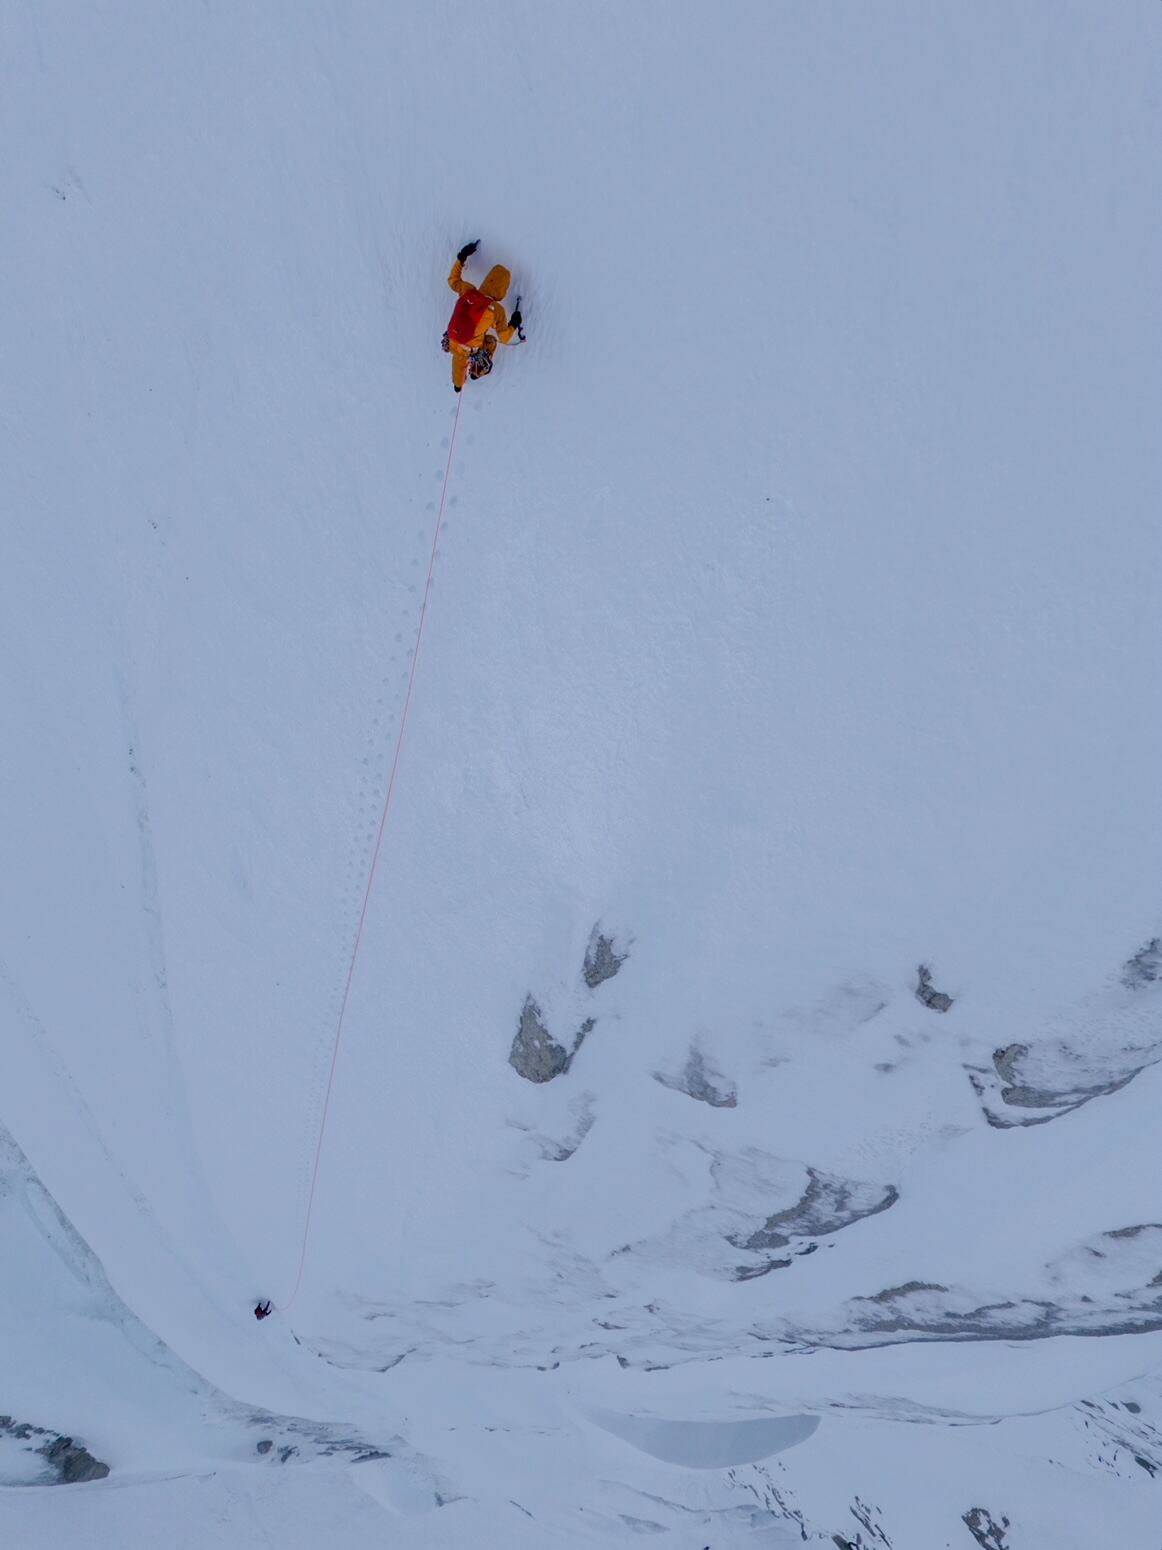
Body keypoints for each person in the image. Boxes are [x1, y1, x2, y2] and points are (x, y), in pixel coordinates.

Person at [443, 240, 522, 392]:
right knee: (491, 342)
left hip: (453, 338)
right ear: (503, 292)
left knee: (458, 355)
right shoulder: (497, 311)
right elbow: (504, 338)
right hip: (469, 347)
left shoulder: (469, 291)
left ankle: (458, 385)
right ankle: (477, 370)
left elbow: (453, 281)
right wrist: (514, 323)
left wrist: (462, 257)